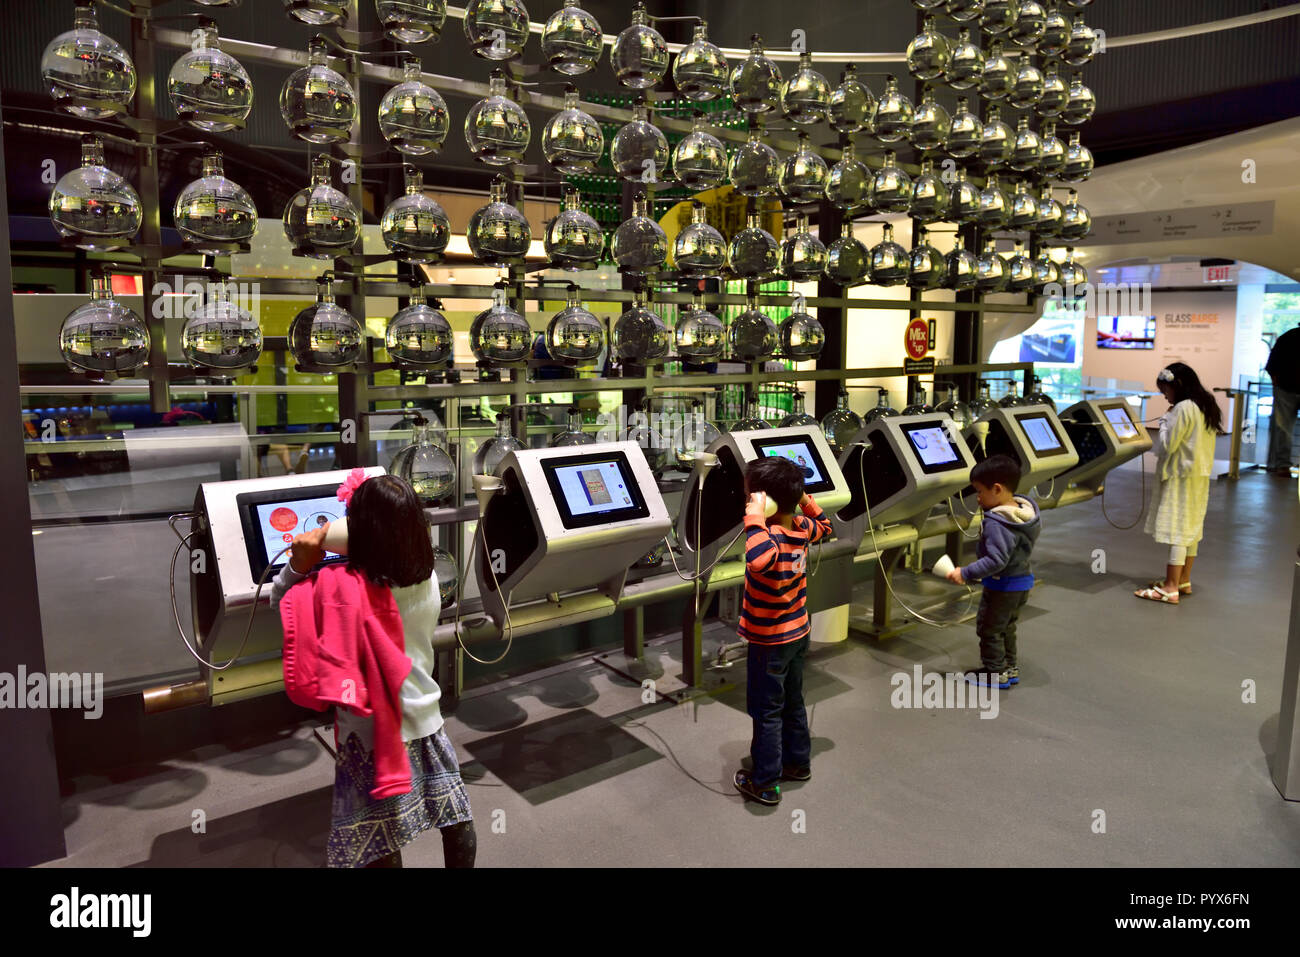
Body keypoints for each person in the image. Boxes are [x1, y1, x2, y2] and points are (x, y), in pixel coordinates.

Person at [270, 472, 476, 867]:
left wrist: (299, 562)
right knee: (453, 813)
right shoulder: (427, 575)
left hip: (367, 731)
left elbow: (281, 602)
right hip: (426, 715)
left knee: (378, 834)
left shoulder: (344, 587)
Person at [733, 455, 833, 807]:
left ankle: (765, 782)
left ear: (766, 501)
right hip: (798, 632)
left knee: (767, 710)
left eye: (751, 496)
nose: (749, 503)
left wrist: (755, 518)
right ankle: (797, 762)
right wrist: (804, 498)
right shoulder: (802, 527)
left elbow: (757, 559)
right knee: (792, 702)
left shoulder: (769, 538)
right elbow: (827, 525)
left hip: (770, 641)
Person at [946, 454, 1041, 690]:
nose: (977, 498)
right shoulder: (1023, 513)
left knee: (989, 628)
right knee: (1006, 626)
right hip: (1022, 582)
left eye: (980, 492)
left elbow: (996, 560)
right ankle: (1009, 667)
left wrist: (966, 572)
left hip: (1003, 585)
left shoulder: (998, 522)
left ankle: (994, 672)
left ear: (997, 489)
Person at [1134, 363, 1221, 603]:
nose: (1165, 396)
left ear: (1177, 385)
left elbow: (1168, 446)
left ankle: (1170, 587)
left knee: (1178, 530)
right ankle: (1183, 579)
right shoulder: (1205, 404)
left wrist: (1164, 422)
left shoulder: (1182, 408)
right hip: (1199, 475)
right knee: (1191, 528)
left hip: (1180, 476)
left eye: (1166, 390)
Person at [1266, 325, 1300, 477]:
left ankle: (1282, 465)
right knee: (1283, 429)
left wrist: (1276, 382)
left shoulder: (1288, 337)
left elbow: (1272, 363)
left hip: (1285, 388)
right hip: (1285, 387)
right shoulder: (1288, 337)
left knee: (1283, 428)